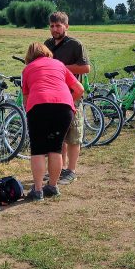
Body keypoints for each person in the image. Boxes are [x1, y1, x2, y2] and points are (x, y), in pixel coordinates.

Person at [20, 42, 84, 201]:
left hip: (39, 107)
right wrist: (70, 102)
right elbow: (80, 89)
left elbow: (26, 100)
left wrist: (31, 115)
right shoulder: (59, 65)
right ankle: (53, 187)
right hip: (64, 109)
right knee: (55, 148)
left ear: (29, 56)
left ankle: (38, 190)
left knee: (38, 150)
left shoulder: (27, 69)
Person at [43, 11, 90, 185]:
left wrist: (61, 67)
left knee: (73, 134)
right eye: (52, 26)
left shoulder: (75, 45)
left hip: (72, 94)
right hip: (52, 95)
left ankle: (71, 170)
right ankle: (59, 169)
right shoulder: (47, 44)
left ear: (66, 26)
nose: (55, 29)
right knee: (58, 135)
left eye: (58, 26)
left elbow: (86, 68)